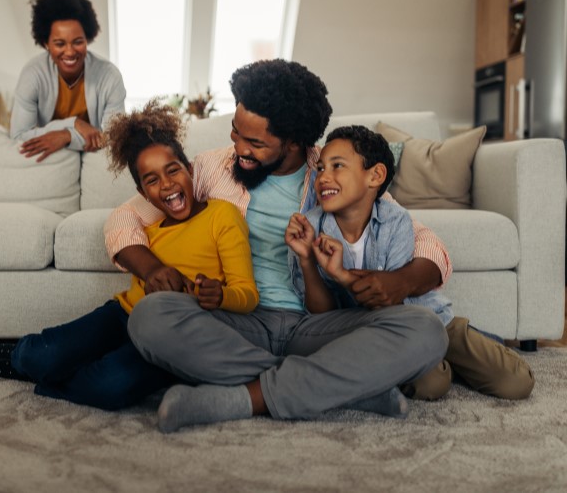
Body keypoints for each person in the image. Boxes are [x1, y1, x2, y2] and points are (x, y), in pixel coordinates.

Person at [104, 59, 449, 433]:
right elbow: (123, 219)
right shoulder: (211, 168)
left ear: (294, 142)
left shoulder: (332, 174)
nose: (238, 148)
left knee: (426, 330)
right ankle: (349, 390)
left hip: (315, 327)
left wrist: (399, 282)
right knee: (150, 317)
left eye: (255, 143)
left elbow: (427, 242)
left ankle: (245, 398)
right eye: (236, 132)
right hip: (236, 323)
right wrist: (152, 269)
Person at [0, 101, 259, 411]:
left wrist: (220, 295)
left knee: (109, 388)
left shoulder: (222, 215)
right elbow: (120, 224)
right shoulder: (150, 222)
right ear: (143, 193)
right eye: (152, 180)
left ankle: (49, 377)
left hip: (173, 337)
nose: (167, 184)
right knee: (40, 355)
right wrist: (152, 270)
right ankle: (20, 358)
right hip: (124, 314)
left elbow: (247, 294)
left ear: (190, 171)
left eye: (173, 170)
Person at [286, 125, 533, 402]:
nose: (323, 178)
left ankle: (469, 347)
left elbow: (393, 303)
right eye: (320, 169)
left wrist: (343, 276)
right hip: (378, 333)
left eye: (337, 166)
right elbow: (323, 316)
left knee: (517, 383)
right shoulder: (311, 227)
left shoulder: (395, 220)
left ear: (375, 176)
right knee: (431, 385)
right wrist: (307, 260)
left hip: (423, 317)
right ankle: (446, 365)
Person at [10, 0, 126, 162]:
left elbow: (115, 138)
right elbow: (18, 136)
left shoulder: (109, 76)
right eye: (60, 44)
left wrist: (66, 136)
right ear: (45, 43)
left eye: (78, 42)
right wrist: (73, 124)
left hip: (93, 158)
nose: (70, 52)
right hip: (52, 161)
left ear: (87, 38)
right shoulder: (32, 74)